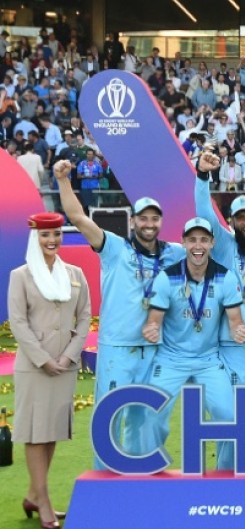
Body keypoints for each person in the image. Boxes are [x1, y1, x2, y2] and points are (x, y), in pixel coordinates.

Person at [53, 160, 186, 470]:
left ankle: (143, 475)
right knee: (109, 417)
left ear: (160, 222)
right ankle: (105, 481)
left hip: (155, 350)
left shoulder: (174, 253)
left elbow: (209, 247)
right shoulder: (113, 248)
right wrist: (62, 180)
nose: (149, 224)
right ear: (133, 221)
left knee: (146, 418)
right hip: (118, 349)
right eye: (143, 218)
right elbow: (76, 216)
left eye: (155, 218)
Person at [142, 218, 245, 470]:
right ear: (183, 243)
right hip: (171, 359)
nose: (198, 245)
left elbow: (236, 321)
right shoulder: (166, 278)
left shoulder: (225, 277)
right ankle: (149, 472)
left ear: (212, 243)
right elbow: (154, 320)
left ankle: (225, 472)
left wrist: (240, 330)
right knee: (151, 414)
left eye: (203, 239)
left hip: (207, 360)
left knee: (229, 416)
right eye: (192, 240)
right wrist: (151, 328)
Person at [194, 152, 245, 469]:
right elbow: (204, 212)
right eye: (239, 218)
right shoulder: (226, 246)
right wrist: (202, 177)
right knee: (232, 427)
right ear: (231, 222)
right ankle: (225, 489)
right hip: (231, 350)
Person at [8, 212, 90, 529]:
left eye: (56, 234)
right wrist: (43, 359)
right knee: (35, 434)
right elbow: (18, 322)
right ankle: (43, 502)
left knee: (52, 432)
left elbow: (84, 318)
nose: (52, 240)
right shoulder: (21, 275)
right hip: (35, 367)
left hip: (65, 366)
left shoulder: (75, 274)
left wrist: (69, 356)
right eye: (45, 235)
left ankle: (33, 494)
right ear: (34, 238)